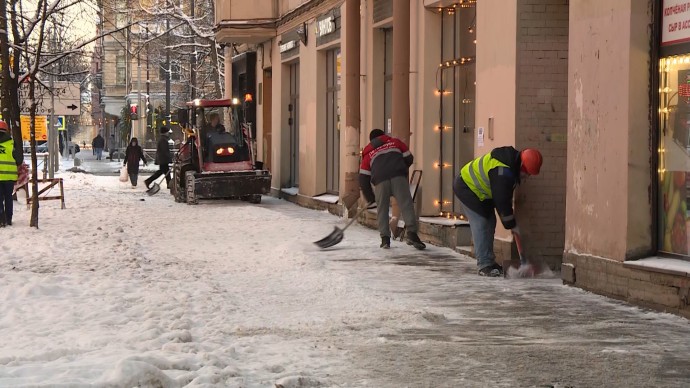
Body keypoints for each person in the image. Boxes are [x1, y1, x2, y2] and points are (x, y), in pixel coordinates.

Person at [453, 146, 543, 277]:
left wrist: (510, 220)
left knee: (490, 220)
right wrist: (510, 223)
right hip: (467, 187)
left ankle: (489, 262)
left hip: (481, 192)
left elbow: (504, 197)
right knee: (482, 222)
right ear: (522, 165)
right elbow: (501, 200)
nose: (527, 176)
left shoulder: (510, 165)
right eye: (527, 173)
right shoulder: (503, 171)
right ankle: (484, 265)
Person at [359, 129, 425, 250]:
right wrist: (400, 168)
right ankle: (412, 234)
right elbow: (409, 158)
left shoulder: (368, 153)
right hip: (398, 177)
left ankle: (385, 239)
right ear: (384, 135)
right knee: (406, 204)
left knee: (382, 209)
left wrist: (370, 197)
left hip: (380, 181)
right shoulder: (395, 142)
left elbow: (363, 178)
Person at [0, 121, 23, 226]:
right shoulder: (12, 143)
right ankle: (9, 219)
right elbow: (19, 159)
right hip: (10, 176)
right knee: (8, 198)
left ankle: (1, 220)